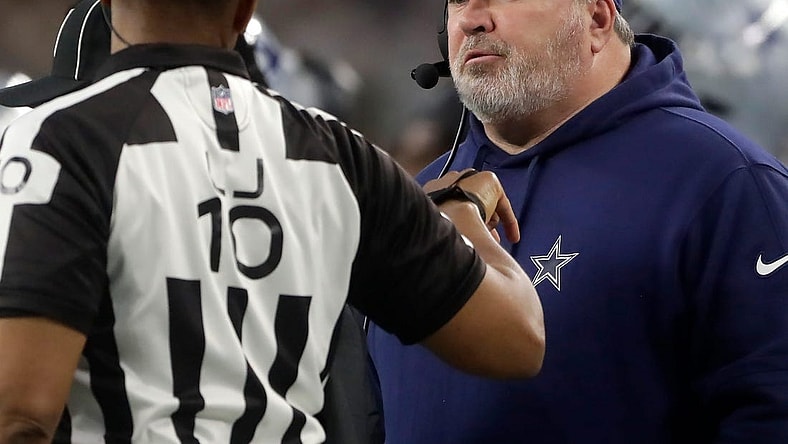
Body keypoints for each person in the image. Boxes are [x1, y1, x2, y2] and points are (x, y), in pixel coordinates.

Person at [0, 1, 546, 443]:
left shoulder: (59, 140)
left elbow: (19, 416)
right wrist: (463, 214)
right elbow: (517, 340)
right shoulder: (338, 155)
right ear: (244, 11)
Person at [367, 0, 788, 443]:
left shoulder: (728, 183)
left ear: (597, 18)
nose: (471, 20)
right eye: (457, 1)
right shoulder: (413, 200)